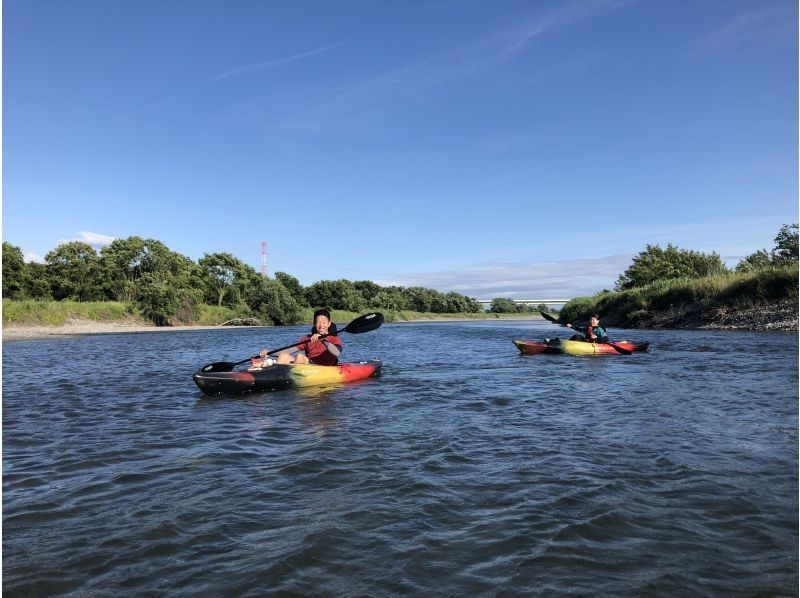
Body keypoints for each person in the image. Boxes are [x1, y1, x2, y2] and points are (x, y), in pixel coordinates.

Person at [260, 308, 342, 366]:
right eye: (318, 322)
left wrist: (323, 340)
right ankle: (276, 378)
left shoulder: (334, 338)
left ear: (329, 324)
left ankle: (291, 378)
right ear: (314, 324)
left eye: (324, 322)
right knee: (283, 356)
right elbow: (289, 350)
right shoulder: (307, 338)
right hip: (309, 365)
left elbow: (337, 353)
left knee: (299, 356)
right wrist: (269, 353)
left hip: (325, 368)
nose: (321, 325)